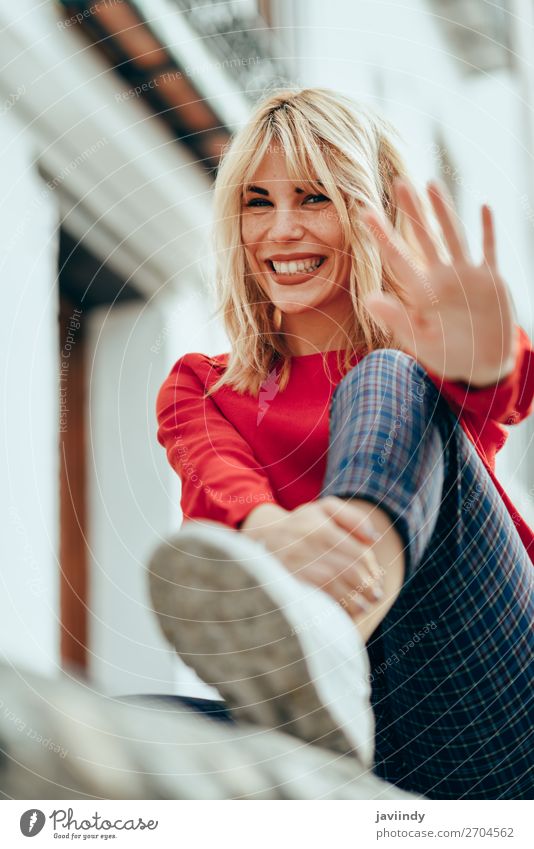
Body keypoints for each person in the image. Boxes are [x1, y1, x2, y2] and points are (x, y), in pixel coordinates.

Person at [153, 87, 534, 800]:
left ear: (371, 212)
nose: (282, 229)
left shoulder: (421, 355)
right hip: (352, 744)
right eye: (258, 202)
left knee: (384, 373)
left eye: (315, 198)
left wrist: (480, 354)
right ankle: (320, 661)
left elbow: (502, 385)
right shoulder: (199, 389)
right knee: (119, 729)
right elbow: (217, 479)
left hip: (496, 713)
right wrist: (270, 534)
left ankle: (330, 632)